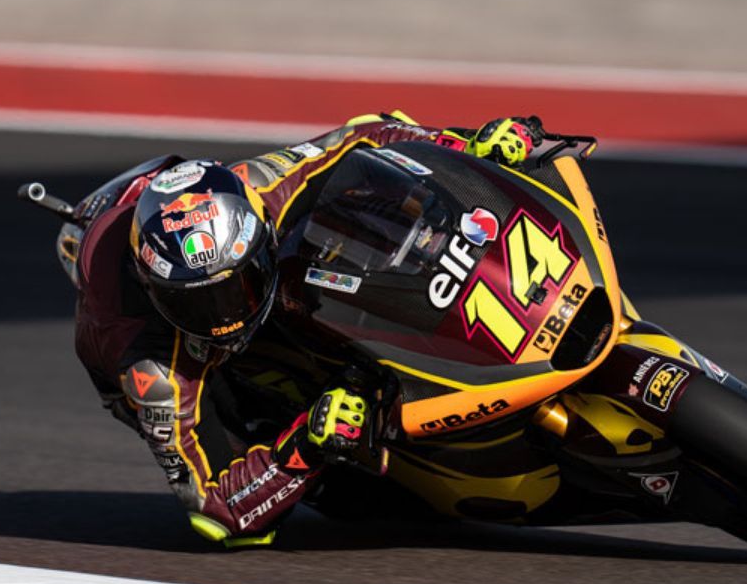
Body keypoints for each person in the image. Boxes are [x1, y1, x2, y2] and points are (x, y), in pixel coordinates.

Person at [69, 111, 544, 546]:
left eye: (235, 288)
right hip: (194, 369)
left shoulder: (259, 186)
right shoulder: (149, 366)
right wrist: (304, 446)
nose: (224, 317)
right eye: (196, 303)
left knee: (351, 211)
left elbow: (366, 135)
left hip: (240, 254)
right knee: (345, 498)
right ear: (155, 290)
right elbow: (216, 510)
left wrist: (464, 143)